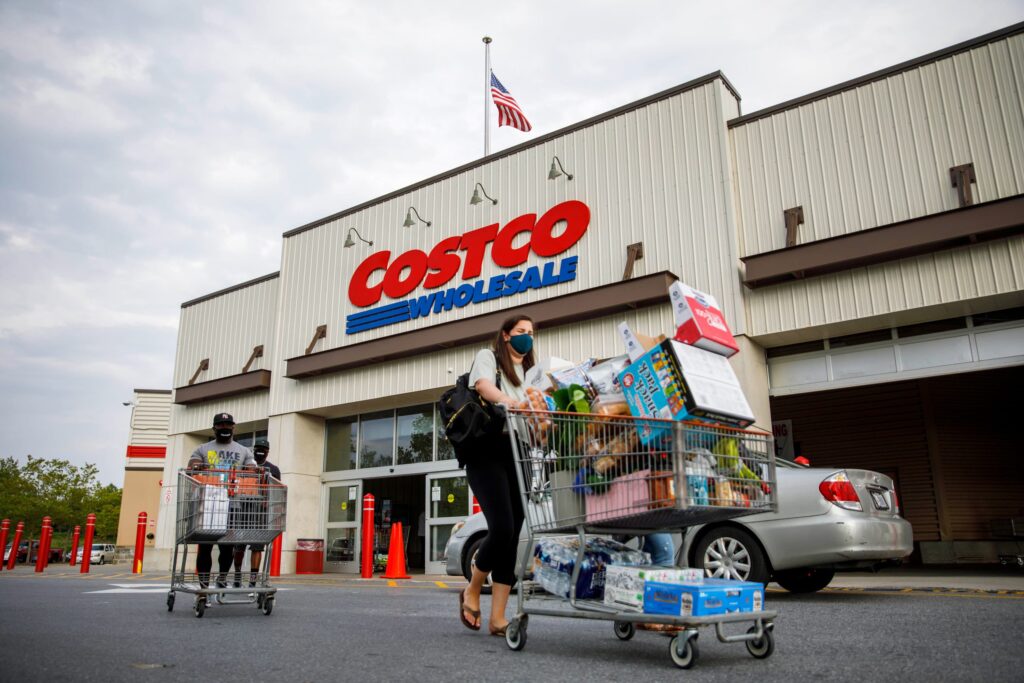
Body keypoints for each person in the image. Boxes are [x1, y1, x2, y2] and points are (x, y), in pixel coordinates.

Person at [459, 314, 533, 636]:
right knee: (502, 527)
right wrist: (508, 400)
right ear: (505, 335)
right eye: (521, 331)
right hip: (488, 450)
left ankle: (498, 618)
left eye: (531, 332)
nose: (527, 337)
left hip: (520, 454)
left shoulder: (530, 373)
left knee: (513, 535)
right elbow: (483, 386)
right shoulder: (488, 358)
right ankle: (473, 588)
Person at [187, 412, 256, 589]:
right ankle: (204, 586)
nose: (225, 428)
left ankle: (222, 578)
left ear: (233, 427)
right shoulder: (202, 449)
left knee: (227, 547)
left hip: (232, 504)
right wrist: (197, 466)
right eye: (220, 425)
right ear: (214, 428)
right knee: (205, 547)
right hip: (208, 504)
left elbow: (252, 470)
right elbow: (192, 466)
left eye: (228, 425)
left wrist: (250, 471)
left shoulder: (244, 450)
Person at [232, 437, 281, 588]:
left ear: (268, 451)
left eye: (263, 449)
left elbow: (278, 490)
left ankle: (253, 580)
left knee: (257, 547)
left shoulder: (273, 469)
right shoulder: (246, 466)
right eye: (258, 449)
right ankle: (237, 574)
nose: (261, 451)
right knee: (239, 546)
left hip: (261, 514)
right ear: (253, 450)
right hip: (244, 511)